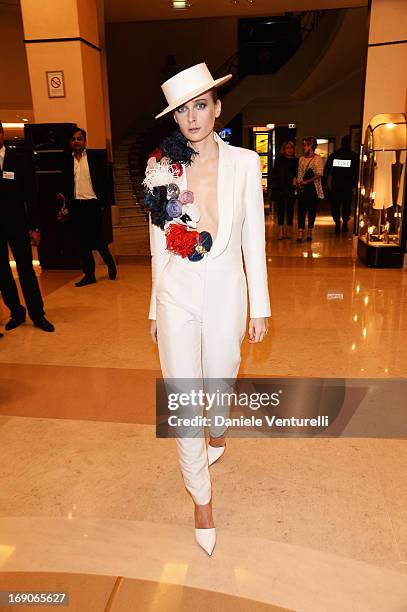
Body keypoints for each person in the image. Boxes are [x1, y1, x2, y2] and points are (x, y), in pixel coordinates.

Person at [144, 63, 271, 556]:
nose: (192, 117)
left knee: (220, 378)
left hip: (225, 291)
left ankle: (219, 425)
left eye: (201, 105)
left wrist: (259, 305)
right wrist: (155, 305)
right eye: (182, 110)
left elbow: (254, 241)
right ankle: (201, 499)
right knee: (181, 394)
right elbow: (160, 245)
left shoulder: (243, 163)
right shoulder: (161, 167)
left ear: (217, 108)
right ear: (174, 119)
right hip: (176, 290)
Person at [0, 120, 54, 333]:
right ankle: (16, 311)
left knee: (26, 270)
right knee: (2, 273)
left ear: (2, 133)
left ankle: (37, 314)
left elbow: (30, 196)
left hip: (17, 224)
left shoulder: (18, 159)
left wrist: (35, 226)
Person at [61, 128, 117, 287]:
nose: (76, 142)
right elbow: (65, 184)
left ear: (84, 141)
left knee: (98, 239)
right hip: (76, 206)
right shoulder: (66, 160)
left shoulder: (94, 158)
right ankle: (89, 274)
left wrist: (104, 203)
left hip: (93, 205)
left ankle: (110, 264)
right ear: (70, 142)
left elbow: (105, 182)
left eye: (79, 139)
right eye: (73, 139)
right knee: (82, 242)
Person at [324, 134, 359, 234]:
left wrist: (325, 183)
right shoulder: (353, 156)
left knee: (335, 205)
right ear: (350, 144)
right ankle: (344, 223)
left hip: (336, 185)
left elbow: (327, 170)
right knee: (346, 206)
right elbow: (357, 171)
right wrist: (355, 185)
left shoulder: (334, 155)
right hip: (348, 186)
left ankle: (337, 222)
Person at [295, 136, 324, 242]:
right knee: (301, 210)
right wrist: (298, 182)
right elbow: (299, 172)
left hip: (313, 189)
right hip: (302, 188)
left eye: (306, 145)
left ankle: (310, 231)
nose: (304, 147)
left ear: (311, 146)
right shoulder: (301, 159)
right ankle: (300, 232)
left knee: (312, 211)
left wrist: (307, 181)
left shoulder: (318, 158)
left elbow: (319, 174)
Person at [270, 140, 299, 239]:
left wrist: (296, 179)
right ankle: (281, 231)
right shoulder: (279, 160)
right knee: (280, 210)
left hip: (291, 188)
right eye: (287, 148)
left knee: (290, 210)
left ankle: (289, 231)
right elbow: (274, 174)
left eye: (291, 148)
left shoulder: (297, 160)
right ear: (284, 149)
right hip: (280, 188)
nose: (289, 150)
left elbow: (299, 174)